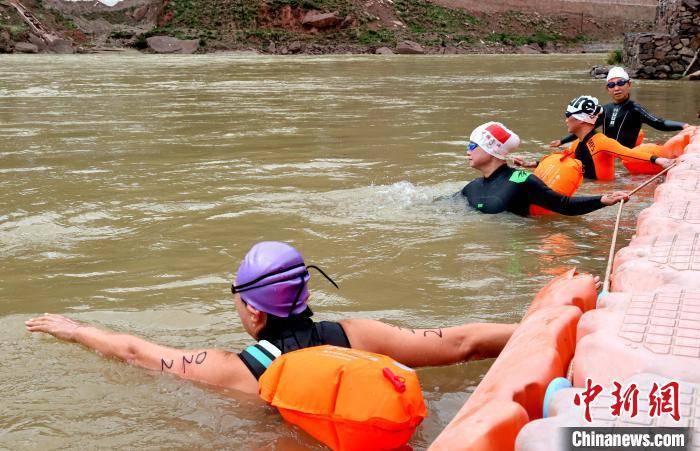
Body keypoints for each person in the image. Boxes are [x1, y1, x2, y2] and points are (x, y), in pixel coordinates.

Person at [26, 241, 519, 395]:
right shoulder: (359, 334)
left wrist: (76, 330)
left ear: (253, 309)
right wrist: (539, 326)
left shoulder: (229, 369)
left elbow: (135, 351)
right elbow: (463, 344)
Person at [460, 121, 628, 216]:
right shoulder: (472, 187)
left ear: (492, 149)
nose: (467, 151)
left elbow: (564, 204)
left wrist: (602, 200)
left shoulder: (519, 179)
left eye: (472, 145)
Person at [515, 96, 675, 181]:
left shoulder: (601, 142)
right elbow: (560, 158)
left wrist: (658, 160)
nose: (565, 120)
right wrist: (532, 164)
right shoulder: (577, 142)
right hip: (586, 186)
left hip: (604, 191)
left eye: (568, 115)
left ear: (581, 120)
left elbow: (627, 153)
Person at [550, 67, 689, 149]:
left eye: (620, 83)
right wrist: (562, 141)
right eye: (611, 85)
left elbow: (659, 123)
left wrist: (684, 125)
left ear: (629, 84)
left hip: (627, 158)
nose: (616, 88)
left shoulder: (635, 109)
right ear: (607, 89)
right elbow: (585, 129)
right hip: (610, 157)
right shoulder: (603, 110)